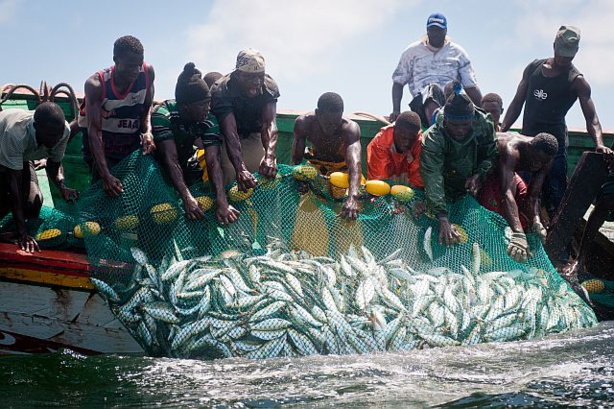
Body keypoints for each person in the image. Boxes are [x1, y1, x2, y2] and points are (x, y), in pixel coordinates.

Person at [501, 25, 613, 219]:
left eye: (569, 56)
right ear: (554, 45)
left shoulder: (577, 81)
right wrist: (502, 130)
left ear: (576, 52)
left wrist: (599, 144)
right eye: (561, 54)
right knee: (522, 192)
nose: (564, 59)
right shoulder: (533, 68)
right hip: (528, 143)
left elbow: (592, 118)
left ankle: (558, 242)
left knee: (557, 196)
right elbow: (517, 103)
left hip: (555, 147)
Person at [152, 63, 239, 225]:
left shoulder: (208, 119)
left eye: (209, 103)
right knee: (159, 215)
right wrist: (186, 197)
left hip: (186, 162)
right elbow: (170, 160)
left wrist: (222, 201)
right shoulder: (163, 115)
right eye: (203, 105)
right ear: (185, 106)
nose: (208, 109)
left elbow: (213, 161)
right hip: (157, 167)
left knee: (200, 206)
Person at [420, 83, 497, 246]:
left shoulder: (483, 124)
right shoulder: (434, 137)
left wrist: (479, 175)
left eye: (465, 125)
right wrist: (442, 217)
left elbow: (492, 155)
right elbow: (433, 175)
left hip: (471, 189)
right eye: (455, 125)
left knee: (472, 240)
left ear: (472, 120)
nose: (460, 130)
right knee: (434, 239)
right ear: (446, 119)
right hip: (442, 188)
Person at [78, 35, 156, 197]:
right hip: (102, 145)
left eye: (138, 65)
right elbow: (94, 132)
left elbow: (147, 108)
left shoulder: (147, 73)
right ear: (115, 60)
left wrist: (148, 131)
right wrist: (105, 175)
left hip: (129, 142)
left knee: (135, 193)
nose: (135, 71)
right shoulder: (96, 85)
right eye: (129, 66)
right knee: (105, 193)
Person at [0, 102, 78, 252]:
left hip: (22, 156)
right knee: (5, 199)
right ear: (36, 127)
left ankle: (17, 229)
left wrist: (62, 187)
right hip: (3, 148)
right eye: (50, 135)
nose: (56, 139)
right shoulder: (15, 134)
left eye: (58, 134)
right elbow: (13, 187)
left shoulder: (64, 131)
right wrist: (23, 234)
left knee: (33, 202)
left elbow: (53, 165)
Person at [477, 132, 558, 262]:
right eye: (535, 160)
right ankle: (490, 247)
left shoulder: (547, 159)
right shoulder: (511, 149)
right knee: (494, 207)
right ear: (529, 148)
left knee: (522, 203)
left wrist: (536, 220)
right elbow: (507, 193)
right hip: (489, 170)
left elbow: (532, 197)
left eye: (541, 162)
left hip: (509, 173)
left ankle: (518, 246)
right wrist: (518, 233)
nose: (537, 165)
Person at [391, 13, 482, 124]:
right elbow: (398, 83)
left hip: (453, 102)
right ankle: (436, 127)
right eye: (432, 30)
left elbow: (471, 87)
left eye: (439, 30)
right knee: (432, 90)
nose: (435, 33)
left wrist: (484, 111)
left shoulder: (458, 52)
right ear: (427, 30)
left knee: (462, 99)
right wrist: (396, 110)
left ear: (446, 31)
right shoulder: (412, 52)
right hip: (421, 104)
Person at [210, 49, 279, 190]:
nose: (257, 82)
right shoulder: (222, 90)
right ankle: (225, 208)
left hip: (254, 134)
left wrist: (270, 156)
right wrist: (240, 169)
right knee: (230, 171)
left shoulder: (268, 86)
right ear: (237, 74)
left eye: (260, 76)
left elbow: (269, 124)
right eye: (250, 77)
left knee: (268, 173)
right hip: (226, 136)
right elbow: (230, 133)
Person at [292, 92, 362, 219]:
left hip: (342, 173)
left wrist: (352, 197)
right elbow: (296, 162)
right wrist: (298, 181)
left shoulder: (350, 129)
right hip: (316, 170)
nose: (332, 128)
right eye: (328, 124)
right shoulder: (303, 123)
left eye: (336, 123)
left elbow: (355, 165)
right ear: (318, 113)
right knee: (307, 209)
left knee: (349, 213)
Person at [367, 110, 423, 188]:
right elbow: (379, 179)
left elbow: (418, 179)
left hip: (407, 186)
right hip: (385, 180)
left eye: (411, 140)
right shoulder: (380, 143)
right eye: (403, 138)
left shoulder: (419, 143)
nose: (407, 143)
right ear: (395, 129)